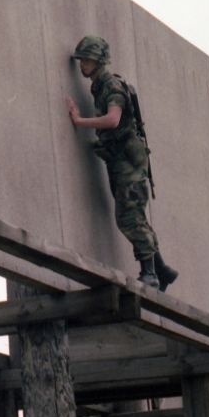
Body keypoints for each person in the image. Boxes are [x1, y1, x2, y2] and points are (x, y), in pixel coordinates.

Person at [63, 35, 179, 291]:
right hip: (120, 161)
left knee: (128, 217)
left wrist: (79, 121)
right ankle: (160, 268)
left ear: (97, 60)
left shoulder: (111, 86)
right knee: (134, 214)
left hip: (128, 162)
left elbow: (113, 120)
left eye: (86, 59)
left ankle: (150, 273)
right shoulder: (100, 84)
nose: (82, 64)